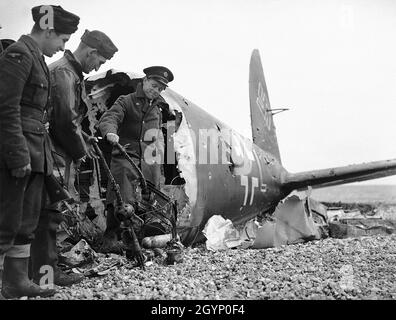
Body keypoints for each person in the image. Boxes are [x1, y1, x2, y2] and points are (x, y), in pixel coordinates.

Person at [0, 5, 79, 299]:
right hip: (18, 152)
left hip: (36, 154)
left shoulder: (38, 60)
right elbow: (6, 109)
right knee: (5, 221)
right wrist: (17, 154)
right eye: (63, 39)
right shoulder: (18, 55)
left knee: (26, 221)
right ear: (48, 31)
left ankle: (15, 282)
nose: (62, 46)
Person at [30, 29, 118, 287]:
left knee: (46, 213)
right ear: (92, 52)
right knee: (49, 214)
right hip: (51, 153)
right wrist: (81, 151)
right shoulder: (64, 73)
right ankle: (46, 274)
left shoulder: (68, 72)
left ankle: (37, 270)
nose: (98, 66)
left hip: (53, 151)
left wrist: (85, 137)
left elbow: (70, 120)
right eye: (100, 61)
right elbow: (64, 122)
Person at [98, 66, 174, 253]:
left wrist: (162, 160)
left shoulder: (159, 108)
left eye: (159, 89)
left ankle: (138, 238)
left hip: (149, 160)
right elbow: (110, 118)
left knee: (149, 200)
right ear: (145, 80)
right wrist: (110, 132)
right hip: (126, 155)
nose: (155, 90)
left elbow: (160, 136)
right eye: (153, 85)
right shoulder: (126, 101)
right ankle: (111, 237)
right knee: (121, 196)